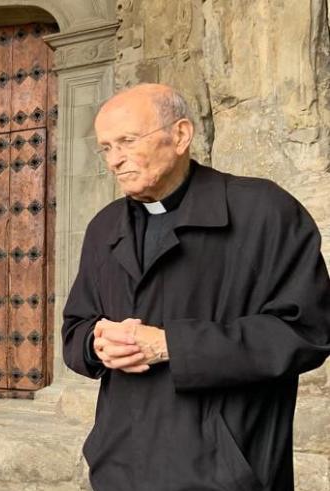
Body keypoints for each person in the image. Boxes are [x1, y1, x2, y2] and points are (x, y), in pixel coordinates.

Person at [62, 83, 330, 490]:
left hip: (225, 472)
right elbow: (75, 327)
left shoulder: (262, 211)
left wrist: (172, 344)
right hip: (121, 466)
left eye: (127, 142)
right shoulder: (104, 227)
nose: (115, 160)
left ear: (181, 135)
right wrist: (95, 342)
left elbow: (306, 332)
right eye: (106, 148)